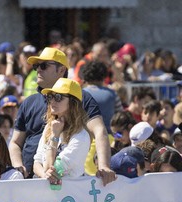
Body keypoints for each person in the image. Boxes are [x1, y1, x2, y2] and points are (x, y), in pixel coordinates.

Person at [9, 47, 115, 186]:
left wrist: (103, 166)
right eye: (36, 66)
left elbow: (100, 131)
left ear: (61, 70)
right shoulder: (28, 102)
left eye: (44, 65)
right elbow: (15, 143)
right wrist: (18, 168)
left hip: (62, 182)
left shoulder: (80, 98)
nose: (38, 70)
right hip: (30, 181)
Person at [33, 78, 91, 180]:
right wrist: (44, 176)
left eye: (58, 97)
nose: (52, 101)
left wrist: (55, 137)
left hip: (69, 193)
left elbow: (51, 169)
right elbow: (37, 162)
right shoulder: (50, 127)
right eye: (50, 96)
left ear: (73, 103)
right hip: (46, 190)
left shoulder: (81, 136)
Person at [82, 60, 123, 134]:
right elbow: (120, 116)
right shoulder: (112, 93)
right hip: (108, 137)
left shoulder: (80, 94)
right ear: (104, 76)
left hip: (85, 138)